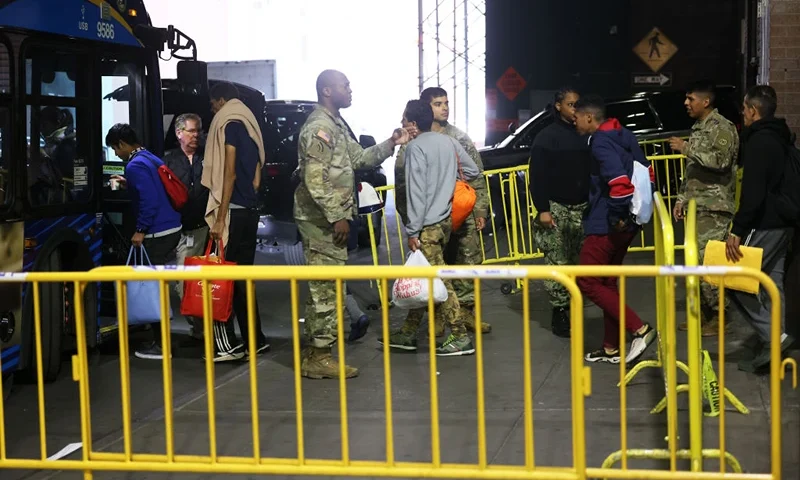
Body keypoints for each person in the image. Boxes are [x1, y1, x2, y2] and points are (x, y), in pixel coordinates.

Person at [294, 69, 410, 379]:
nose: (350, 89)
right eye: (345, 85)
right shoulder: (320, 127)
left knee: (330, 287)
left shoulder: (337, 124)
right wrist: (337, 216)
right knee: (323, 289)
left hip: (330, 219)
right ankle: (318, 356)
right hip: (320, 221)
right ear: (327, 91)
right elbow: (314, 180)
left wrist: (391, 142)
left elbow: (358, 159)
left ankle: (319, 352)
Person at [381, 99, 481, 356]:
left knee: (439, 281)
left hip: (426, 226)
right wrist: (446, 182)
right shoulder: (448, 141)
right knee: (424, 275)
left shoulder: (415, 149)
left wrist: (412, 231)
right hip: (446, 221)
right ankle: (407, 333)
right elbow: (471, 171)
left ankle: (459, 336)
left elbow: (416, 193)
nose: (403, 125)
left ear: (413, 123)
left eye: (405, 121)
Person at [573, 95, 656, 365]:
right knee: (607, 282)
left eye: (577, 117)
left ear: (589, 118)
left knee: (586, 280)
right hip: (630, 221)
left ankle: (640, 329)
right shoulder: (624, 133)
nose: (575, 121)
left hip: (607, 222)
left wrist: (616, 217)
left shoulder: (600, 142)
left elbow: (620, 183)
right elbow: (647, 173)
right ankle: (610, 347)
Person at [725, 85, 796, 373]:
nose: (742, 114)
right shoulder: (780, 137)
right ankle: (772, 348)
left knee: (734, 281)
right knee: (772, 283)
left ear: (753, 111)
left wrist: (738, 229)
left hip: (766, 222)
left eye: (744, 109)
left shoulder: (759, 142)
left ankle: (775, 337)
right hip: (785, 223)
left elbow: (753, 193)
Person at [203, 81, 269, 362]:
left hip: (232, 211)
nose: (213, 110)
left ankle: (227, 346)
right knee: (243, 278)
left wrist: (219, 218)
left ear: (220, 101)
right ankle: (256, 340)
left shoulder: (229, 123)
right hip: (250, 211)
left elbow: (228, 173)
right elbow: (256, 175)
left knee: (222, 279)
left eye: (213, 104)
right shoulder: (250, 122)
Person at [669, 81, 739, 336]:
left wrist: (686, 148)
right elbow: (694, 171)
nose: (686, 103)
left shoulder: (722, 127)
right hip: (699, 206)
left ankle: (721, 317)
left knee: (709, 263)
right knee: (696, 262)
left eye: (690, 99)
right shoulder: (700, 128)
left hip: (715, 206)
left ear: (706, 102)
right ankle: (706, 316)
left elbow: (721, 162)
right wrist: (681, 198)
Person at [106, 123, 182, 360]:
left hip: (157, 231)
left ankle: (162, 346)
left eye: (115, 149)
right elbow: (155, 188)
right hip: (171, 226)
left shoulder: (135, 165)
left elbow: (149, 201)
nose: (116, 154)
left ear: (122, 144)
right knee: (158, 285)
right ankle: (161, 340)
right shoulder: (149, 157)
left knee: (153, 288)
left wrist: (140, 230)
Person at [528, 87, 591, 338]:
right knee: (557, 262)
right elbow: (538, 176)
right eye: (570, 104)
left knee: (579, 262)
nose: (575, 109)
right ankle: (560, 312)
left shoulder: (585, 134)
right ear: (558, 106)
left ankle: (574, 306)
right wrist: (543, 209)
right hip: (556, 207)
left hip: (583, 208)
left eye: (578, 104)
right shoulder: (547, 137)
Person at [164, 113, 208, 341]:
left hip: (204, 229)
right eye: (191, 131)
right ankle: (198, 326)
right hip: (178, 229)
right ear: (179, 133)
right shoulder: (168, 160)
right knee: (183, 284)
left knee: (204, 283)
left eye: (198, 131)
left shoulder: (207, 158)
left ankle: (204, 329)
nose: (196, 135)